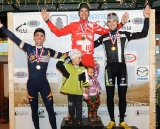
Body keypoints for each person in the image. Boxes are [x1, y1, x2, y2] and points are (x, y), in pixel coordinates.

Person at [0, 22, 67, 129]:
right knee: (34, 110)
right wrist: (2, 27)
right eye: (37, 35)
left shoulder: (48, 51)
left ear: (44, 38)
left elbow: (63, 55)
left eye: (41, 36)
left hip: (43, 83)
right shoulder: (28, 48)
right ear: (34, 37)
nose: (39, 37)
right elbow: (13, 37)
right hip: (31, 84)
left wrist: (75, 53)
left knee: (50, 109)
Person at [94, 5, 150, 129]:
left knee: (122, 96)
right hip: (109, 69)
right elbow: (89, 46)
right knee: (109, 96)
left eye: (114, 21)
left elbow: (144, 33)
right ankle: (112, 120)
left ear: (117, 22)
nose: (112, 23)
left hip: (122, 69)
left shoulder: (125, 34)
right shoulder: (103, 37)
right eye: (109, 21)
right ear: (107, 24)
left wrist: (146, 18)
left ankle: (122, 121)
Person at [41, 2, 129, 68]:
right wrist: (47, 21)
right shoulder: (73, 25)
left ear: (88, 13)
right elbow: (58, 33)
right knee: (76, 86)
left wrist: (121, 24)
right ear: (79, 13)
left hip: (88, 58)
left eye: (86, 11)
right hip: (76, 57)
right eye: (82, 11)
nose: (84, 13)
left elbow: (107, 31)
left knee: (89, 87)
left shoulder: (93, 25)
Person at [56, 49, 89, 125]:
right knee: (71, 106)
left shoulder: (82, 69)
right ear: (73, 58)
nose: (80, 60)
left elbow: (86, 78)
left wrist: (86, 86)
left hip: (78, 92)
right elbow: (58, 65)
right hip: (70, 91)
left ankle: (79, 120)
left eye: (81, 58)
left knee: (79, 107)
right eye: (79, 58)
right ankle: (71, 119)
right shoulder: (67, 67)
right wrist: (63, 57)